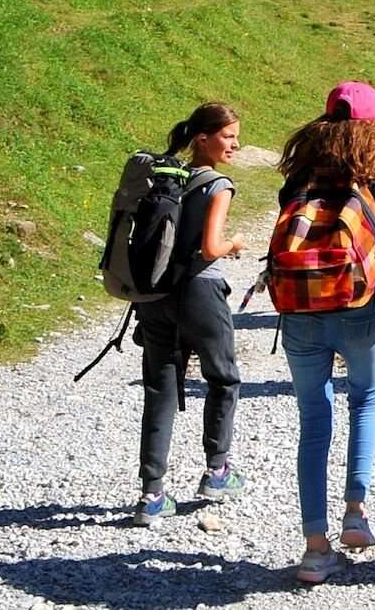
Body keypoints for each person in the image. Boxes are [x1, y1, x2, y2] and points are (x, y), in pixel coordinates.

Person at [273, 82, 375, 584]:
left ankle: (315, 549)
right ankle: (355, 511)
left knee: (314, 422)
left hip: (299, 314)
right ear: (371, 128)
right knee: (366, 400)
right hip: (360, 311)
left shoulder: (295, 183)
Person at [132, 102, 248, 527]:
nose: (235, 144)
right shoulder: (217, 184)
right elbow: (210, 248)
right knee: (223, 377)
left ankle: (151, 495)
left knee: (160, 390)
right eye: (229, 136)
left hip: (155, 295)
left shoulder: (169, 179)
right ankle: (217, 473)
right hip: (200, 291)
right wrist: (235, 242)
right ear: (204, 137)